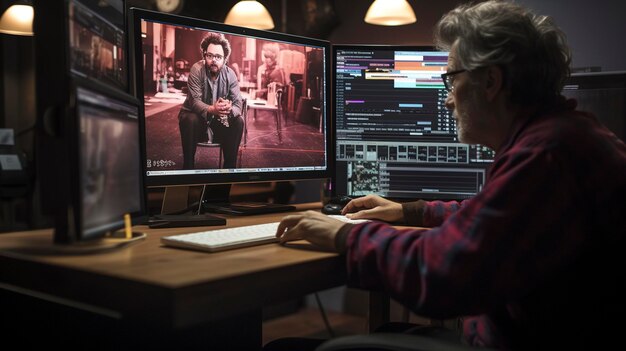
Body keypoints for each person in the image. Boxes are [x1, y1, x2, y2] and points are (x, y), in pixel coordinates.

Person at [271, 0, 626, 350]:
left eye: (451, 79)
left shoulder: (545, 155)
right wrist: (408, 210)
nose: (447, 100)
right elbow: (493, 223)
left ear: (490, 81)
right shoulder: (567, 135)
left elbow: (441, 274)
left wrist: (344, 238)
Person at [178, 32, 243, 169]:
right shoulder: (196, 70)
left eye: (218, 57)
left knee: (238, 121)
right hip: (197, 124)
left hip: (219, 124)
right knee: (190, 119)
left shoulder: (230, 74)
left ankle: (229, 170)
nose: (214, 60)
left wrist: (229, 110)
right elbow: (195, 102)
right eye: (210, 55)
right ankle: (187, 169)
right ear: (204, 55)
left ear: (225, 59)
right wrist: (213, 109)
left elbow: (238, 104)